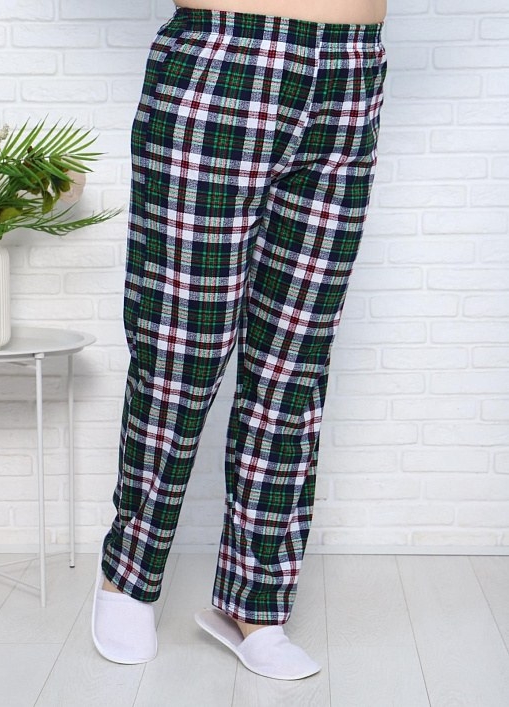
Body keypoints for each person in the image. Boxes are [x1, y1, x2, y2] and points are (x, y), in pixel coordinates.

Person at [92, 0, 388, 680]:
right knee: (180, 350)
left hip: (353, 68)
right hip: (225, 51)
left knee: (294, 360)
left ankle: (253, 605)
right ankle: (129, 575)